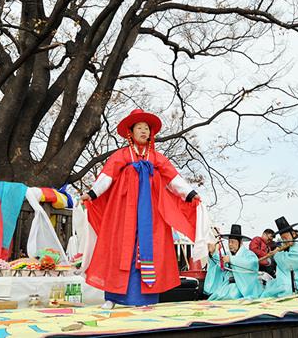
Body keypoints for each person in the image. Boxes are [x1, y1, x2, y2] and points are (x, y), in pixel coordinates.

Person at [80, 109, 205, 308]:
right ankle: (112, 297)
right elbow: (107, 176)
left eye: (147, 128)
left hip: (151, 213)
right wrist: (92, 193)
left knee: (150, 249)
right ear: (130, 132)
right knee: (120, 248)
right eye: (139, 128)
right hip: (123, 210)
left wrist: (190, 194)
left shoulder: (156, 157)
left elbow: (173, 179)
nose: (144, 131)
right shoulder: (122, 155)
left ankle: (144, 299)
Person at [204, 224, 263, 300]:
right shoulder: (227, 254)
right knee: (216, 297)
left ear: (240, 242)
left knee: (231, 296)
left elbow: (252, 263)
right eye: (229, 242)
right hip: (227, 286)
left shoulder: (249, 254)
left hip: (243, 287)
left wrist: (232, 260)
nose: (230, 244)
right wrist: (212, 253)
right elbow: (218, 263)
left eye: (233, 242)